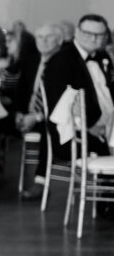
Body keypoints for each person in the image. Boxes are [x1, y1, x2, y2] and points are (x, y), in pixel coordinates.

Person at [43, 14, 113, 161]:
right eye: (88, 34)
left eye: (99, 35)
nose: (94, 39)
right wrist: (89, 127)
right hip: (80, 134)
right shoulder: (61, 61)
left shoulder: (103, 57)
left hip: (107, 128)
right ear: (77, 32)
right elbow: (59, 108)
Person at [19, 23, 63, 200]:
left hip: (48, 117)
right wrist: (17, 114)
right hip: (26, 115)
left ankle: (40, 181)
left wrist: (36, 116)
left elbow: (59, 102)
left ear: (60, 40)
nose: (43, 41)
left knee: (48, 130)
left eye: (49, 37)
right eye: (40, 37)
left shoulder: (64, 63)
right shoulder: (30, 62)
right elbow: (20, 93)